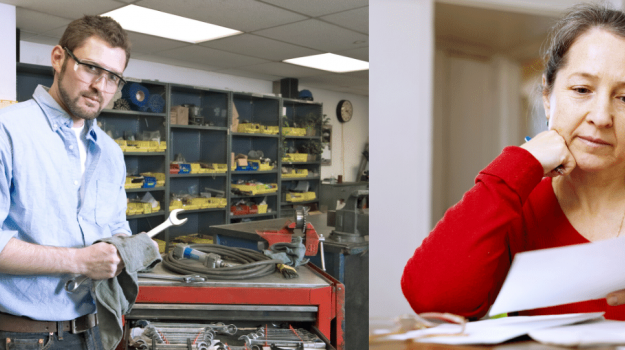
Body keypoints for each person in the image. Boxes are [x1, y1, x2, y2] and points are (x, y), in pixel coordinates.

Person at [402, 3, 625, 321]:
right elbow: (432, 298)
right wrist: (522, 162)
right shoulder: (516, 203)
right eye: (581, 89)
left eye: (624, 98)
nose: (602, 116)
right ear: (548, 98)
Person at [0, 15, 158, 349]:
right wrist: (79, 260)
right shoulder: (7, 131)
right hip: (22, 336)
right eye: (90, 68)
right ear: (58, 58)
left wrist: (124, 249)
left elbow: (116, 227)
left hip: (95, 331)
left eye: (112, 77)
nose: (100, 86)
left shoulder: (111, 152)